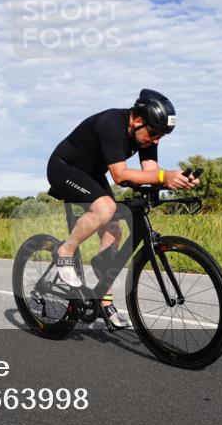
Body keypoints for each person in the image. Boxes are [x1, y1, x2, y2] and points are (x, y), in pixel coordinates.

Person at [46, 89, 199, 328]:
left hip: (92, 174)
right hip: (64, 168)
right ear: (138, 121)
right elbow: (119, 175)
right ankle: (65, 251)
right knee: (106, 208)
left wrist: (176, 180)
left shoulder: (145, 133)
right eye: (154, 134)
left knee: (114, 230)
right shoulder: (111, 123)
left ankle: (103, 302)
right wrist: (162, 176)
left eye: (161, 136)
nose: (156, 141)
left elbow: (150, 172)